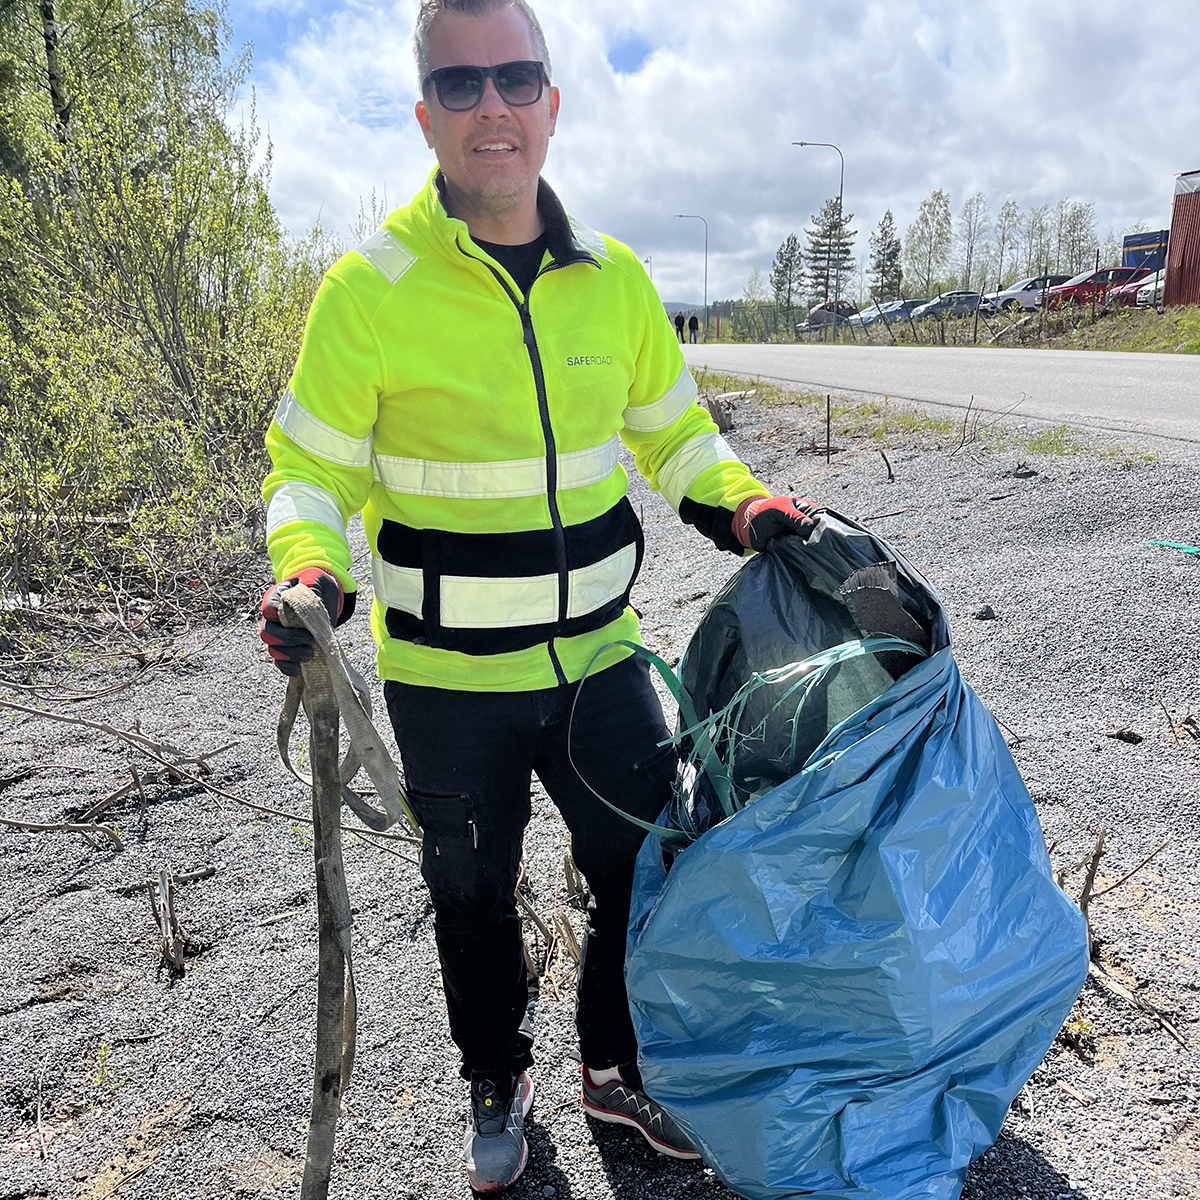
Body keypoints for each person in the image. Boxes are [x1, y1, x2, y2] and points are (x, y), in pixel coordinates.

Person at [257, 0, 816, 1191]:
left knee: (638, 867)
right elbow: (308, 468)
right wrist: (312, 571)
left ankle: (614, 1070)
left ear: (552, 103)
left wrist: (745, 505)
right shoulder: (368, 291)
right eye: (460, 87)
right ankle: (494, 1076)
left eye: (515, 78)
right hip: (449, 682)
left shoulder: (613, 281)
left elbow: (679, 439)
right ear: (426, 117)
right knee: (470, 888)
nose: (492, 107)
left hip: (602, 664)